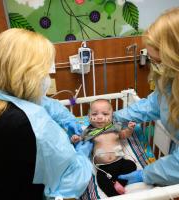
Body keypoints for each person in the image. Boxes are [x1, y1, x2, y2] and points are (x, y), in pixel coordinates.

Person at [0, 28, 93, 200]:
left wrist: (68, 120)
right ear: (29, 73)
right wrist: (82, 154)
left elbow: (45, 103)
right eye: (45, 70)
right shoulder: (31, 124)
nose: (47, 76)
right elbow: (70, 181)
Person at [114, 7, 179, 186]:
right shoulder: (171, 82)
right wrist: (116, 117)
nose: (155, 66)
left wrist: (147, 174)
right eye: (152, 60)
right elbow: (154, 103)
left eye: (158, 61)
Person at [71, 99, 137, 197]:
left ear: (112, 116)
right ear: (89, 117)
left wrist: (129, 129)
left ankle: (118, 182)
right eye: (94, 114)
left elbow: (124, 135)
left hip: (120, 161)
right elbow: (81, 139)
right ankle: (114, 195)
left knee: (131, 165)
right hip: (104, 168)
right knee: (101, 180)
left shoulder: (115, 128)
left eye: (105, 114)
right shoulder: (90, 132)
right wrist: (76, 138)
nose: (100, 117)